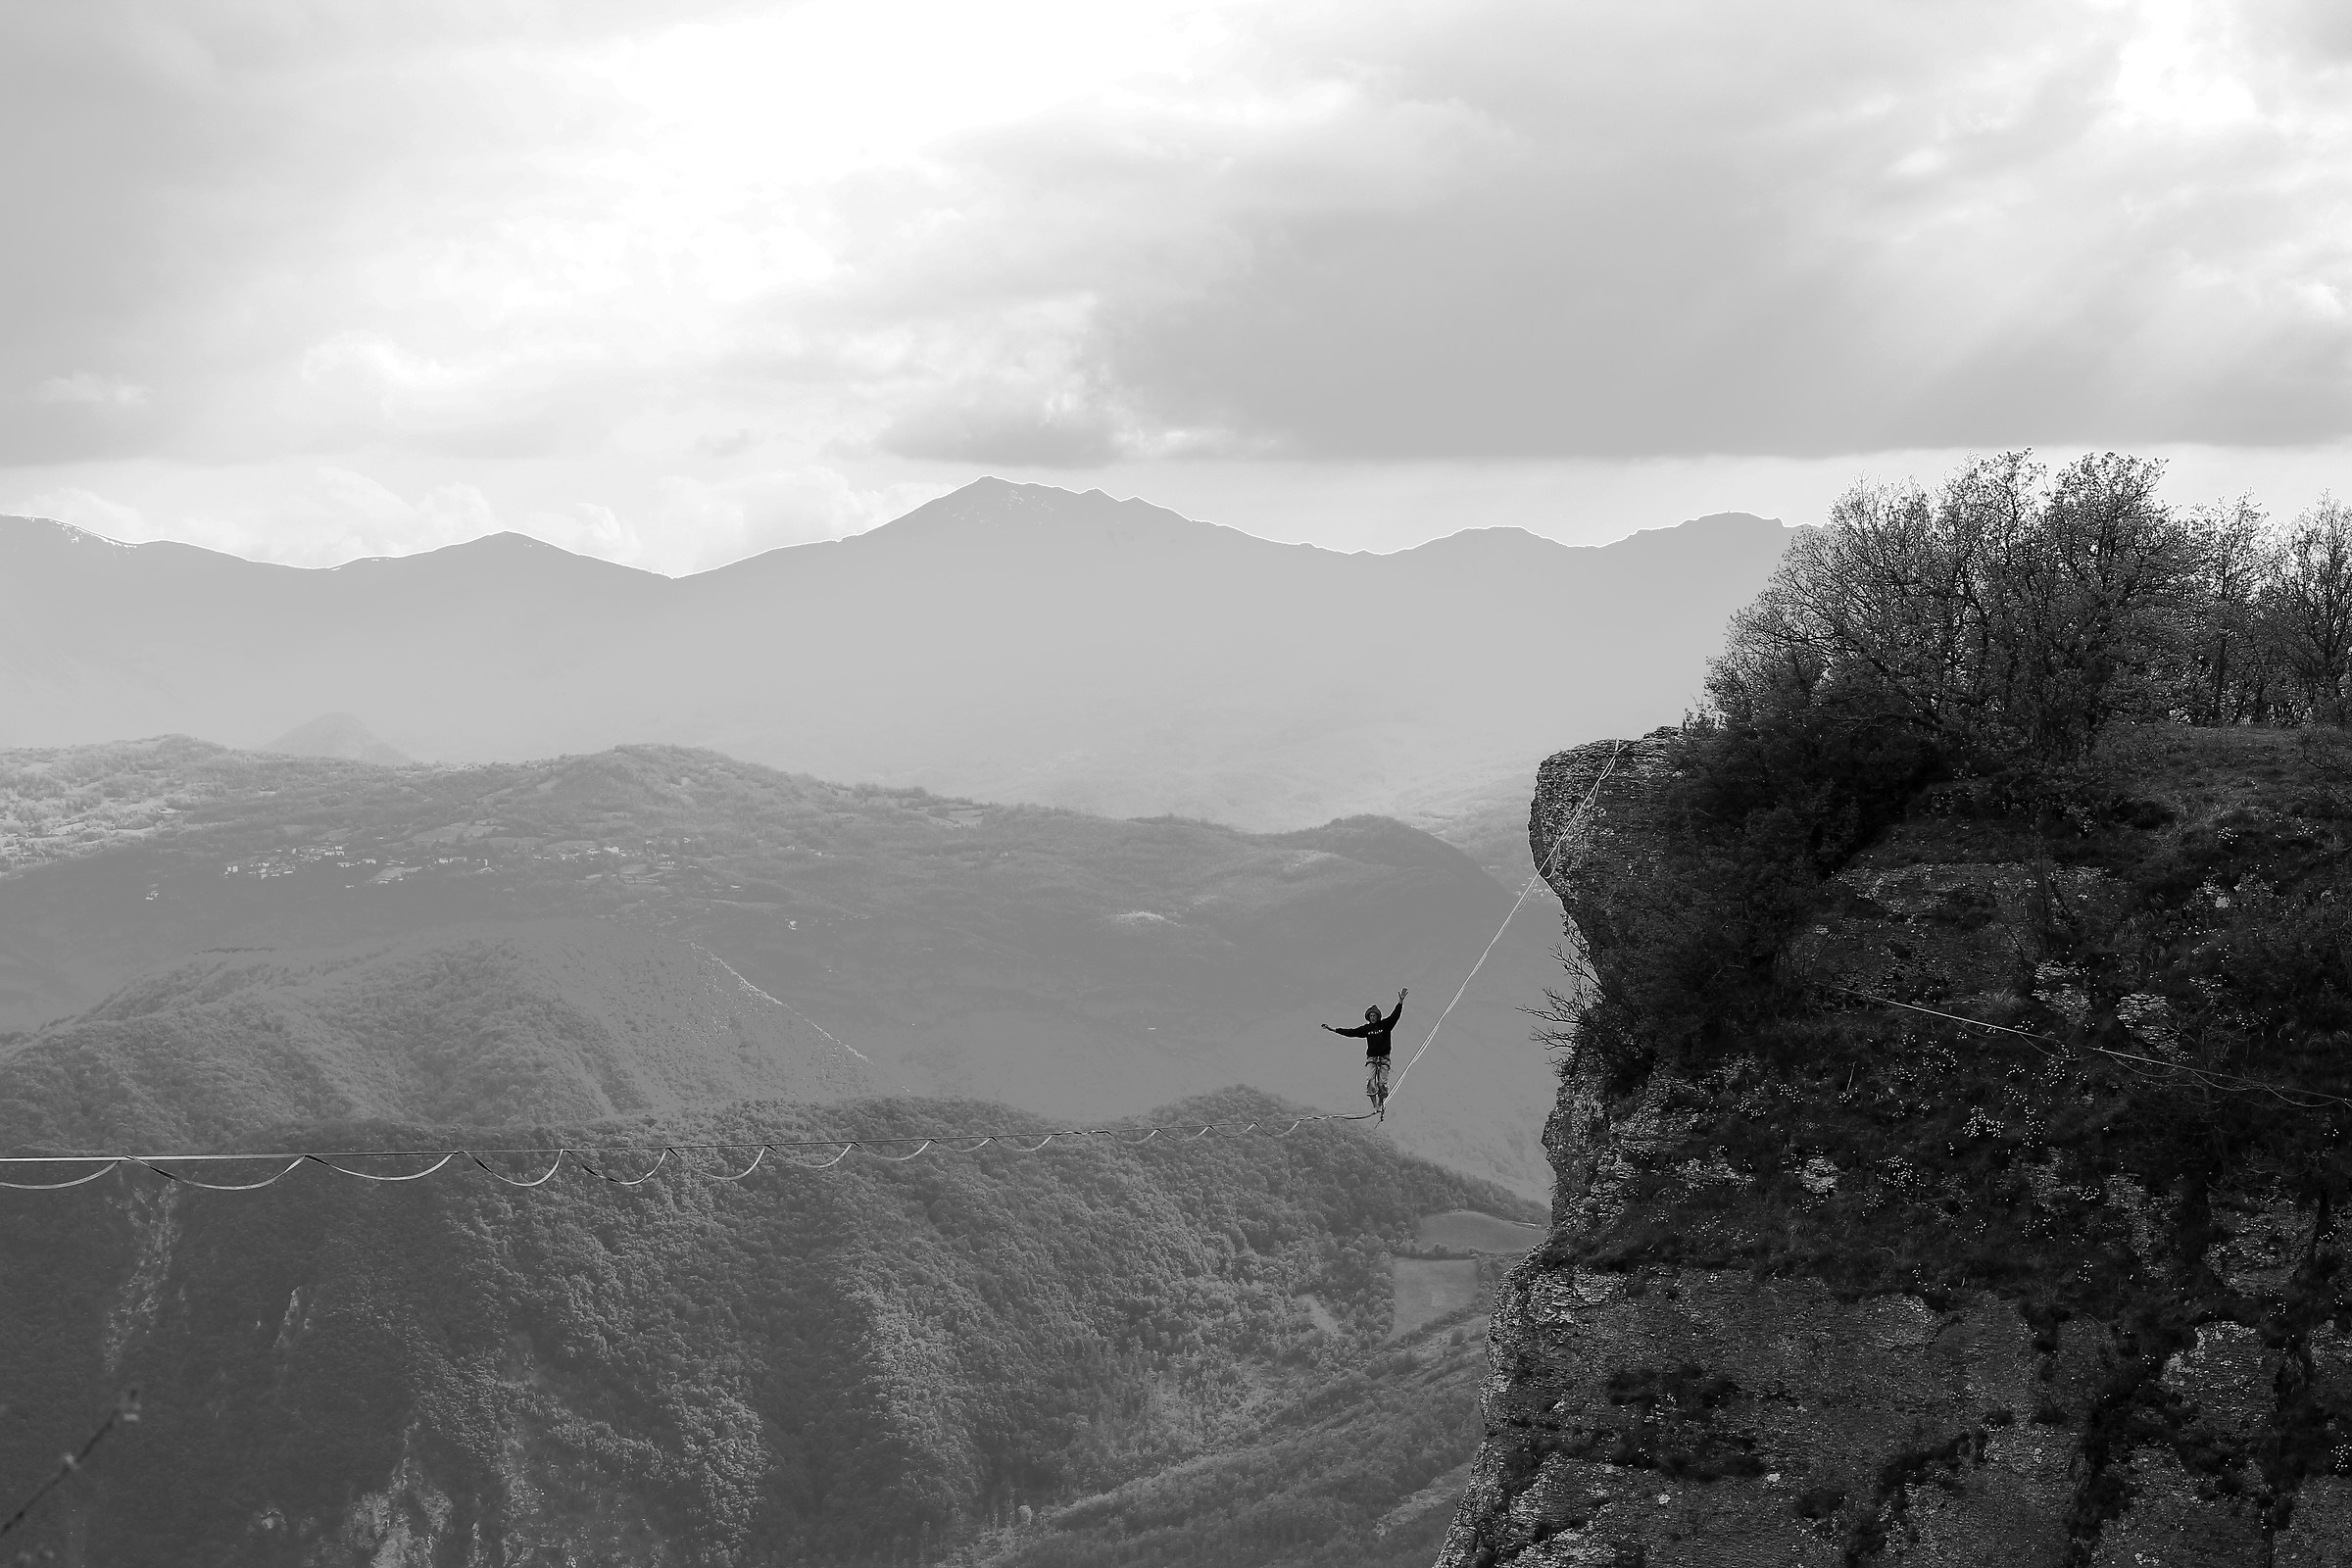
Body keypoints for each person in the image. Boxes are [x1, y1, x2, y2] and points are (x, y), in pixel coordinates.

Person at [1323, 988, 1407, 1115]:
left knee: (1382, 1083)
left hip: (1384, 1058)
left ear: (1378, 1016)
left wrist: (1400, 1002)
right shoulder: (1366, 1029)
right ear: (1368, 1017)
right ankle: (1374, 1106)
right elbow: (1351, 1032)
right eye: (1371, 1016)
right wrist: (1333, 1029)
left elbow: (1395, 1016)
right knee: (1370, 1081)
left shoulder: (1385, 1025)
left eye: (1374, 1015)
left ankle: (1380, 1104)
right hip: (1372, 1059)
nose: (1372, 1017)